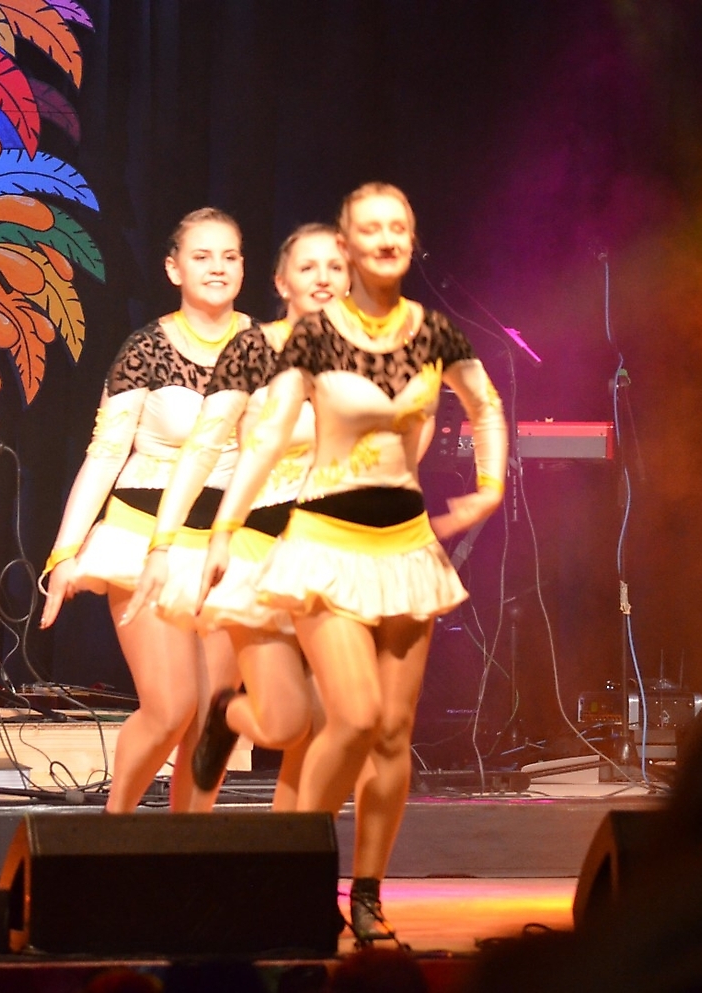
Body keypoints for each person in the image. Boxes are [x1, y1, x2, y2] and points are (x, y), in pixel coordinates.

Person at [198, 183, 508, 944]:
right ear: (348, 241)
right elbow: (269, 437)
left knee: (394, 734)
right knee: (357, 717)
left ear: (412, 236)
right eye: (371, 228)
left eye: (399, 225)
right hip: (324, 546)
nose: (387, 238)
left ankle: (366, 895)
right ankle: (296, 874)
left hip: (405, 550)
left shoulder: (433, 332)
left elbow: (485, 405)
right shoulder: (314, 336)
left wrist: (489, 486)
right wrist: (224, 527)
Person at [126, 224, 349, 812]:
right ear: (280, 281)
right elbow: (204, 450)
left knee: (335, 722)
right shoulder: (254, 350)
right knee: (286, 722)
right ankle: (223, 720)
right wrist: (164, 543)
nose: (323, 280)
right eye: (308, 268)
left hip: (336, 549)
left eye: (336, 268)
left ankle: (293, 855)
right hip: (262, 546)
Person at [40, 207, 248, 812]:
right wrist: (65, 552)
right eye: (202, 256)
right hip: (143, 540)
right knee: (171, 708)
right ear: (173, 268)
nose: (217, 267)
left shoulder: (265, 347)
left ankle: (189, 847)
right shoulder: (146, 349)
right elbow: (104, 454)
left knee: (212, 721)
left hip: (226, 549)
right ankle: (117, 831)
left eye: (229, 256)